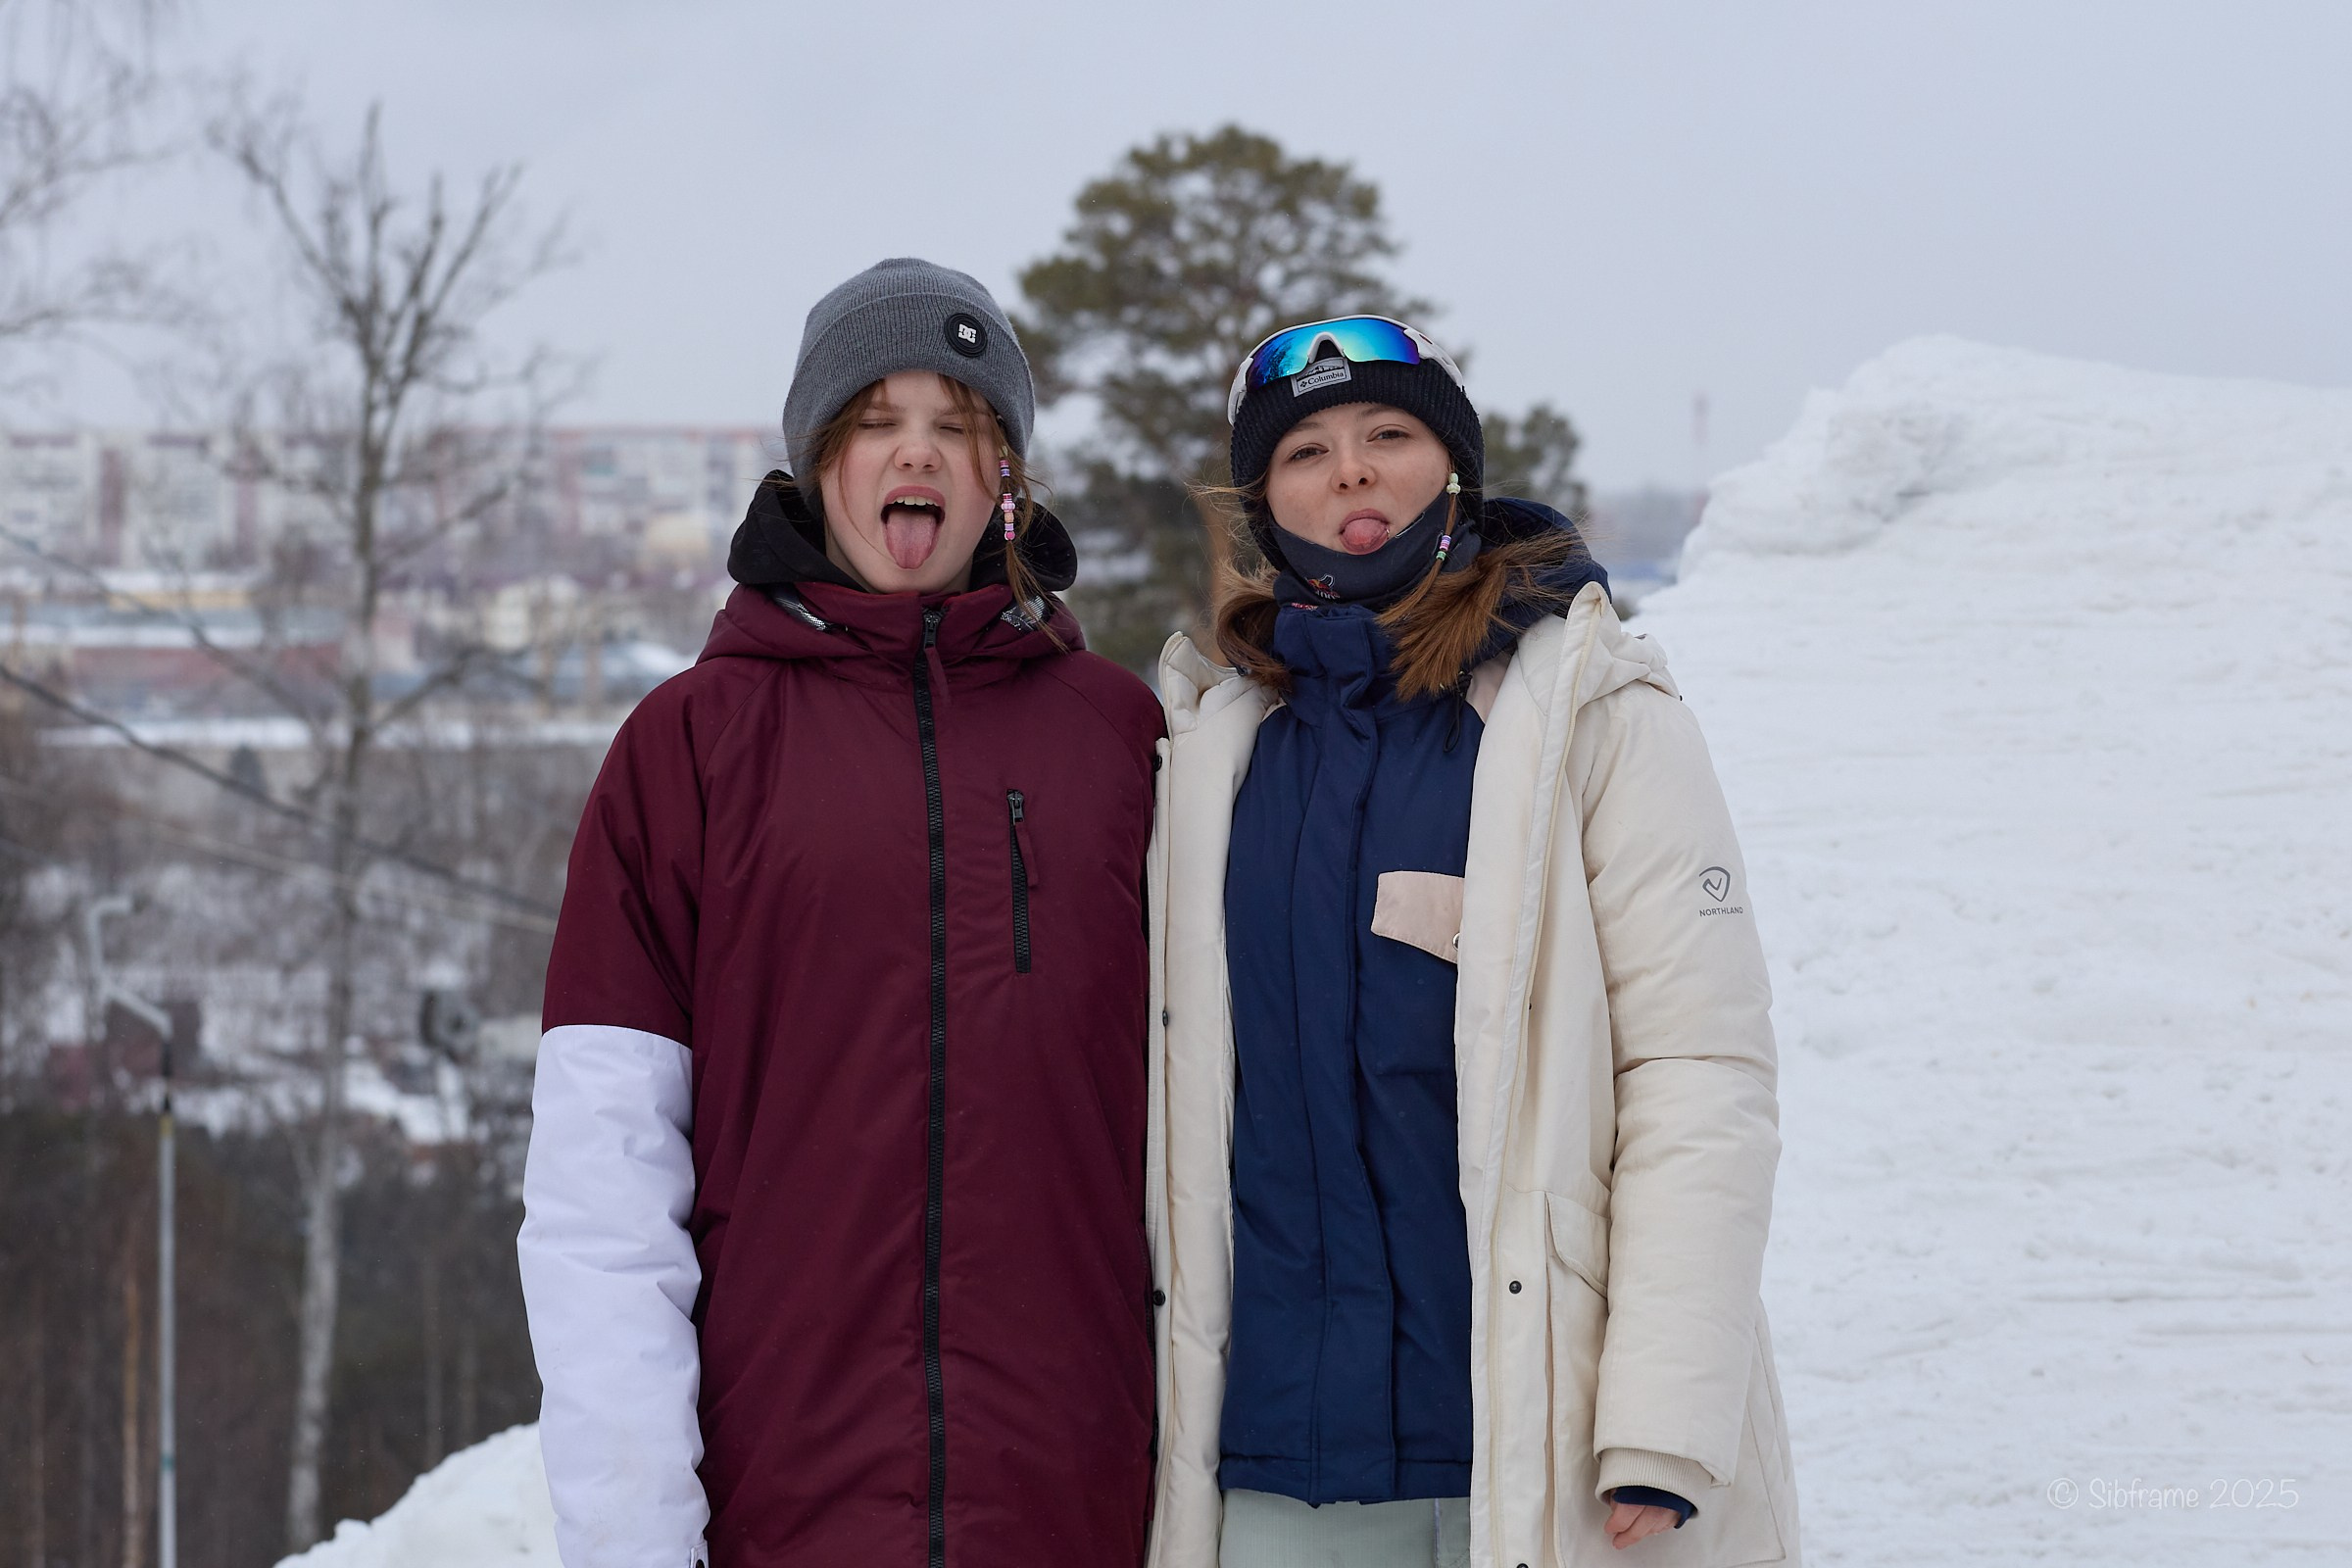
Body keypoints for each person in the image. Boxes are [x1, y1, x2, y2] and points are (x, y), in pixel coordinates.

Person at [518, 258, 1165, 1568]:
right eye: (875, 421)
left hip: (1075, 1505)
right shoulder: (690, 748)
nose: (914, 453)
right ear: (818, 464)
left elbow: (1210, 1145)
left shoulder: (1121, 741)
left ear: (1004, 477)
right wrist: (634, 1533)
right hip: (788, 1505)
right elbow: (603, 1186)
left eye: (957, 425)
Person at [1143, 317, 1802, 1567]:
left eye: (1389, 434)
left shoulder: (1591, 715)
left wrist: (1663, 1418)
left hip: (1545, 1439)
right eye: (1306, 452)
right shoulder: (1213, 757)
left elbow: (1697, 1071)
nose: (1351, 469)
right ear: (1263, 502)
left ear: (1454, 469)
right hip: (1280, 1462)